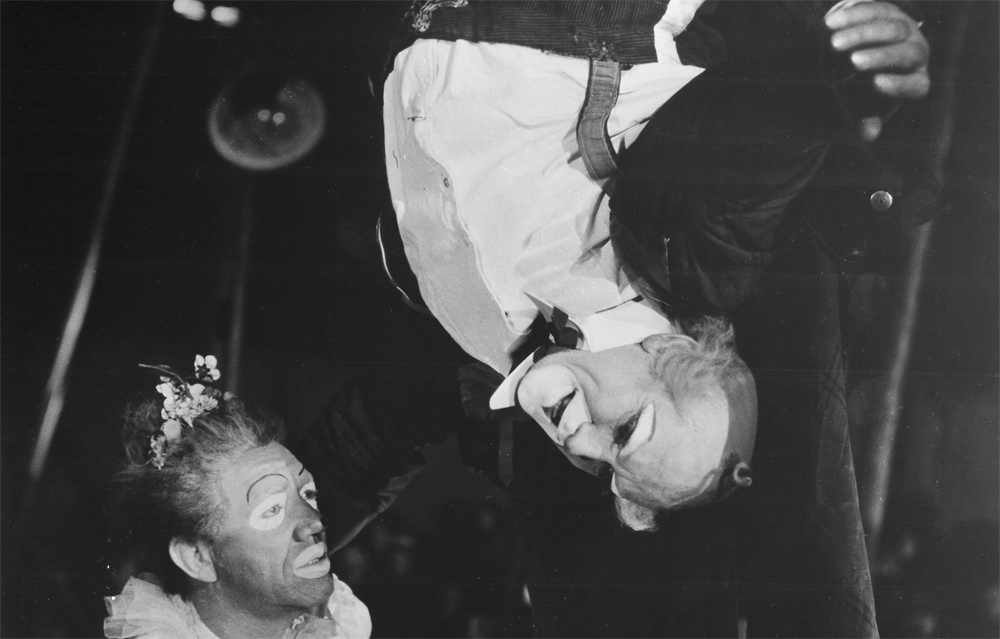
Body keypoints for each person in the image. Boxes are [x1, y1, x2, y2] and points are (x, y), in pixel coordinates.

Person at [300, 1, 942, 635]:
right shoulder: (684, 258)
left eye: (606, 470)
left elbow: (359, 445)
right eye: (627, 431)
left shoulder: (490, 360)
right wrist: (846, 77)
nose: (581, 445)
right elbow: (758, 161)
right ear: (669, 352)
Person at [104, 355, 371, 639]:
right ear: (197, 557)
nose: (315, 522)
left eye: (308, 494)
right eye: (272, 509)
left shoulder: (342, 622)